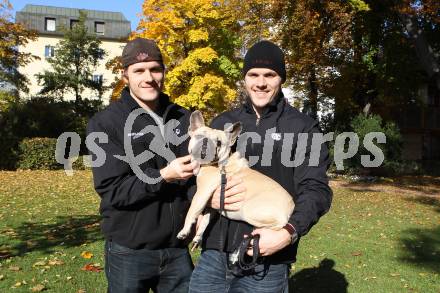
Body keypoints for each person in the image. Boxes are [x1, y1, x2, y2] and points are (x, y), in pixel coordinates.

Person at [87, 38, 245, 293]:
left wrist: (212, 197)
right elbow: (112, 190)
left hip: (176, 250)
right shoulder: (106, 123)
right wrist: (163, 176)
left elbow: (199, 176)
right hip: (130, 250)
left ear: (163, 72)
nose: (148, 77)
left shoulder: (183, 118)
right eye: (139, 70)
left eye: (155, 69)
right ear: (125, 75)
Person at [189, 40, 333, 293]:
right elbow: (194, 176)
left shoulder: (302, 128)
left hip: (266, 259)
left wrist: (288, 233)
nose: (261, 82)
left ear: (281, 79)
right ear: (244, 79)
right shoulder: (223, 123)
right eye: (253, 74)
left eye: (270, 75)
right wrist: (206, 199)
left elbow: (316, 190)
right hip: (214, 255)